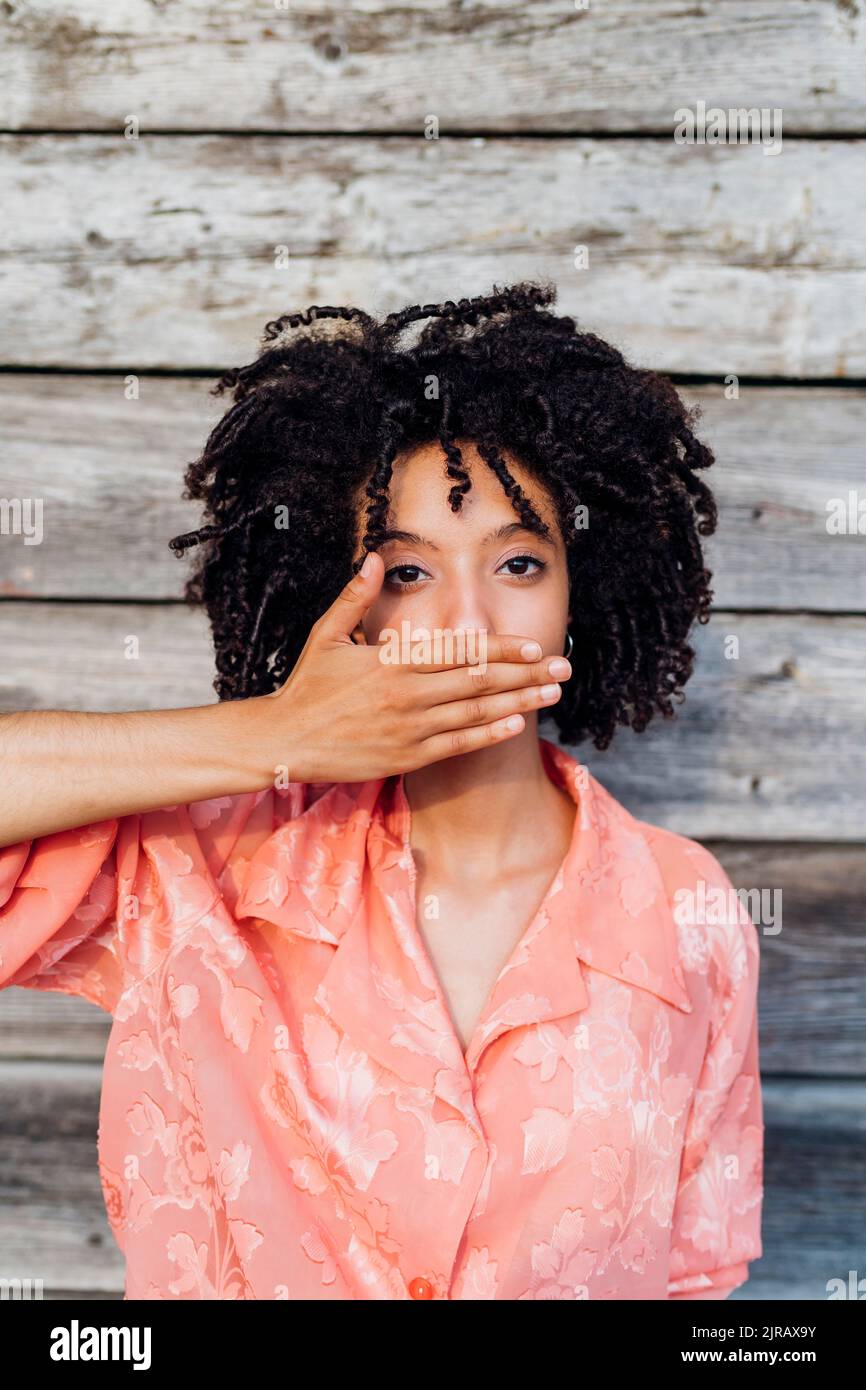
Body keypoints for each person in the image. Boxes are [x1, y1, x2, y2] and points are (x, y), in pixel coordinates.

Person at [0, 281, 763, 1300]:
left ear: (584, 592)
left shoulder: (688, 909)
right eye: (406, 573)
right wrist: (272, 733)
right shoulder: (197, 868)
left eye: (520, 563)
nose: (465, 620)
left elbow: (694, 1281)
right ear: (340, 601)